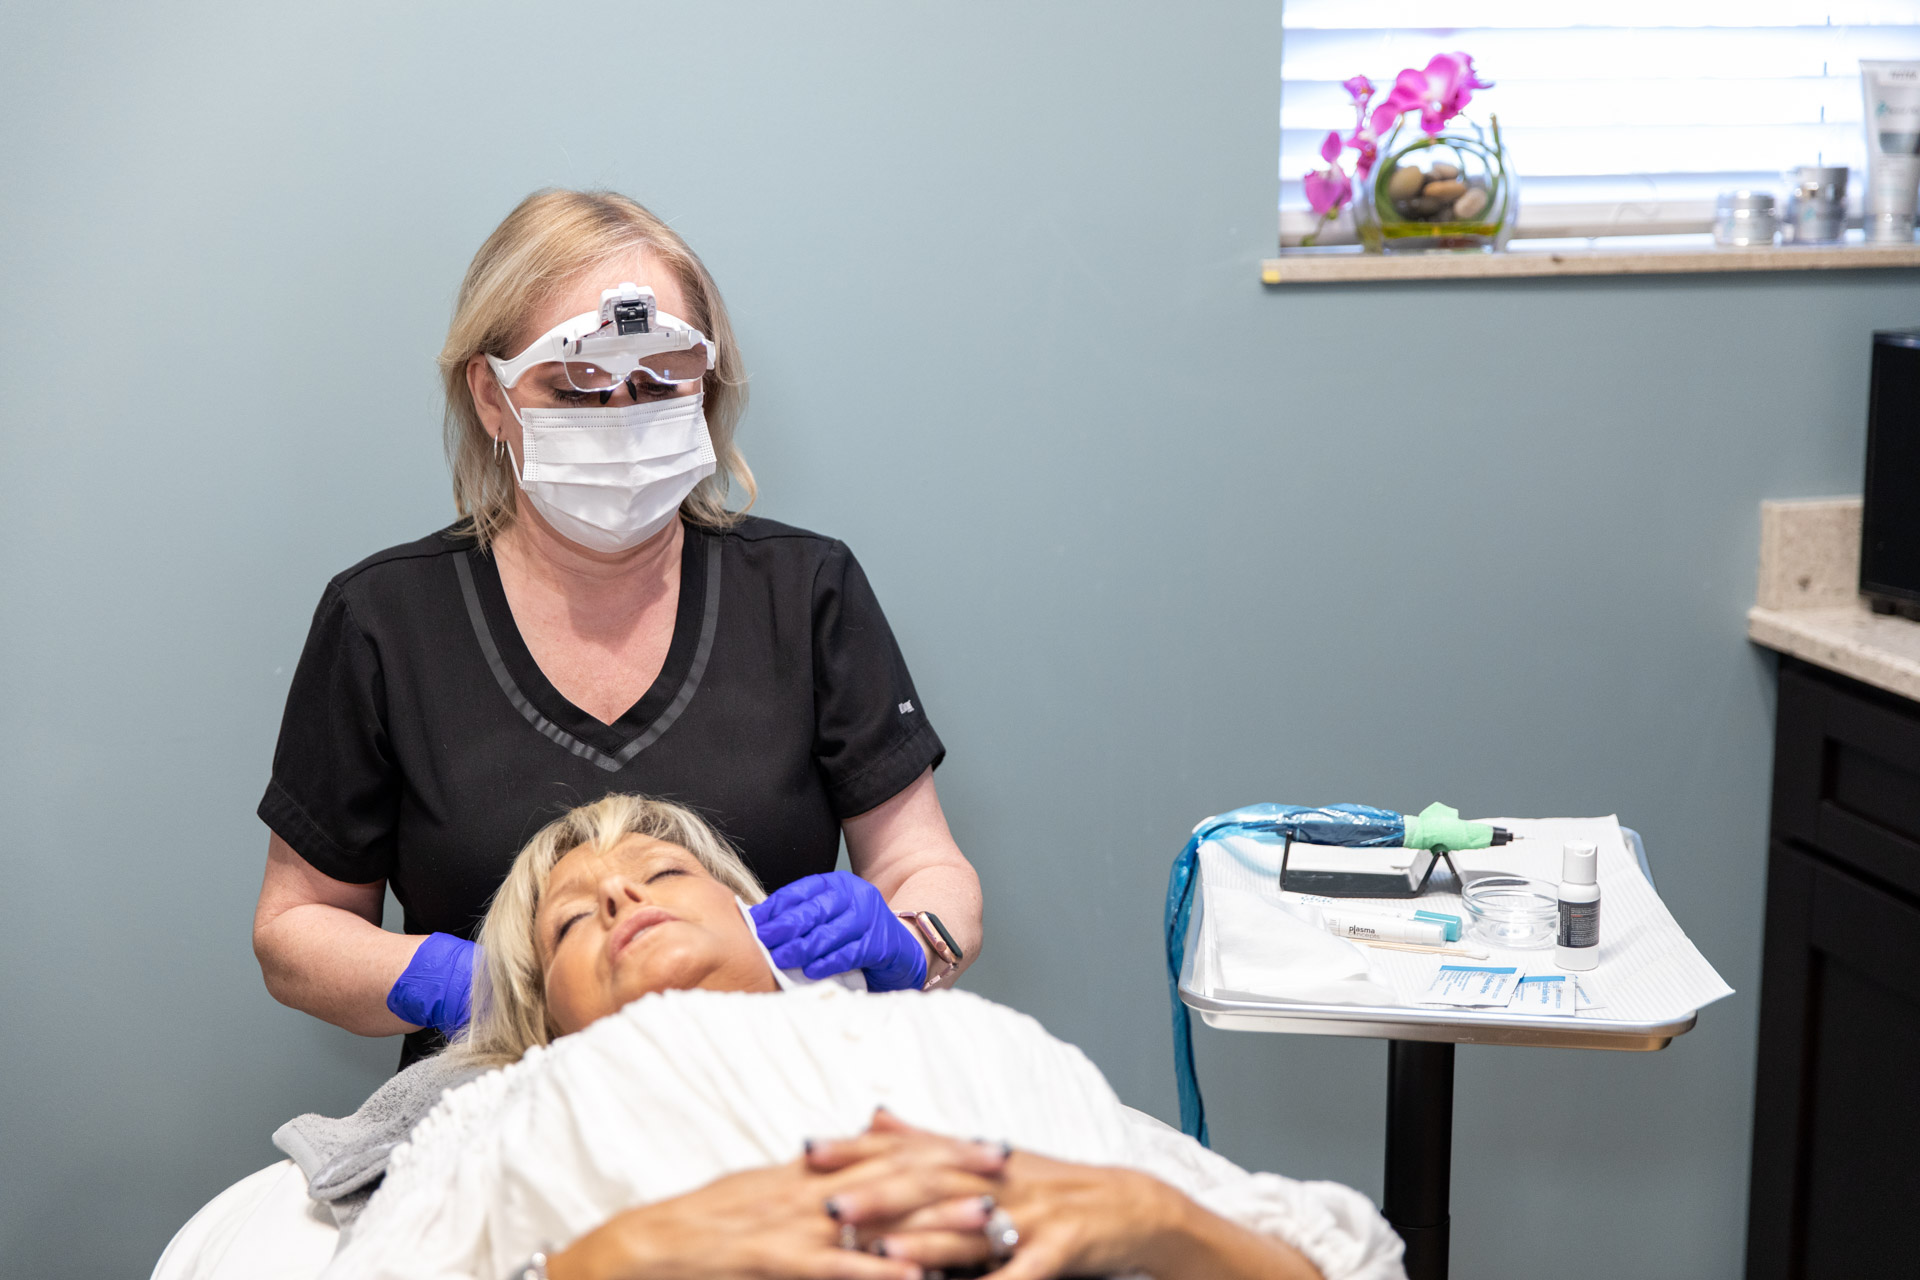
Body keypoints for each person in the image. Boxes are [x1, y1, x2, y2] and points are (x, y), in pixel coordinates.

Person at [252, 190, 981, 1067]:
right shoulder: (385, 622)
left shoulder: (805, 589)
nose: (625, 415)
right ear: (492, 395)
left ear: (705, 381)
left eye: (659, 381)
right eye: (578, 386)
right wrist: (472, 985)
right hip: (497, 1107)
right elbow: (295, 930)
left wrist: (909, 940)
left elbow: (920, 866)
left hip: (787, 1088)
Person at [306, 794, 1406, 1280]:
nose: (619, 898)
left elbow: (1338, 1262)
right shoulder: (512, 1106)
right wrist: (599, 1263)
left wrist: (1154, 1216)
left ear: (765, 923)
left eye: (665, 871)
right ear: (538, 1011)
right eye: (567, 919)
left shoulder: (974, 1043)